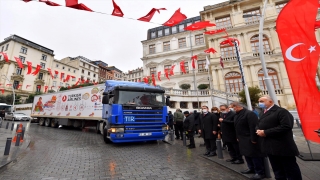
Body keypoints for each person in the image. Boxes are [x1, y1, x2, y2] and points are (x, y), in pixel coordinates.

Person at [256, 95, 302, 180]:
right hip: (270, 147)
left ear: (270, 101)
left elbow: (286, 126)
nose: (260, 103)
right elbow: (259, 124)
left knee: (290, 169)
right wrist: (258, 130)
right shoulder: (263, 112)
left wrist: (266, 132)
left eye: (262, 101)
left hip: (283, 146)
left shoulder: (281, 111)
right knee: (277, 170)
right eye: (259, 101)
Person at [232, 102, 265, 180]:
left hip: (249, 138)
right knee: (246, 154)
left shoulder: (249, 114)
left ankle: (259, 172)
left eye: (233, 107)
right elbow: (236, 127)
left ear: (238, 107)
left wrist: (253, 138)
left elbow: (253, 127)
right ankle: (251, 168)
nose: (233, 109)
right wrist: (237, 137)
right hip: (242, 138)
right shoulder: (237, 114)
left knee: (254, 155)